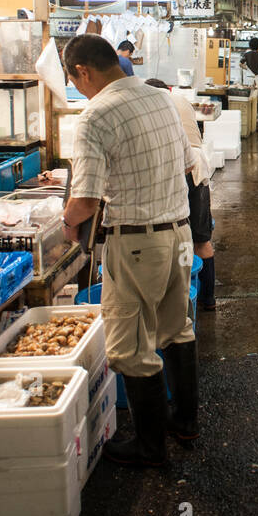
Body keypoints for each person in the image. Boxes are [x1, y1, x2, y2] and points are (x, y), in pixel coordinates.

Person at [60, 35, 198, 467]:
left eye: (74, 81)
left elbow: (85, 199)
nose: (78, 89)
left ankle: (150, 447)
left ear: (83, 71)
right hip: (179, 235)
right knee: (177, 328)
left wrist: (66, 223)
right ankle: (186, 423)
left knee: (129, 349)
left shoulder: (96, 115)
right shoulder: (161, 98)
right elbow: (186, 163)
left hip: (137, 244)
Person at [147, 79, 216, 312]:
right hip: (198, 168)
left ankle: (177, 301)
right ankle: (207, 299)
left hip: (173, 169)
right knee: (201, 238)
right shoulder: (181, 100)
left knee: (170, 237)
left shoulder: (149, 103)